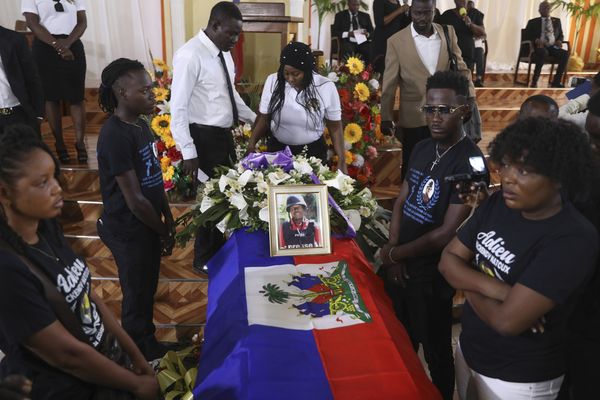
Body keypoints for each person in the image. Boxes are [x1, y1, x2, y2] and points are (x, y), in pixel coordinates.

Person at [439, 117, 598, 400]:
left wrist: (468, 278)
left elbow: (507, 322)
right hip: (470, 350)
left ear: (560, 176)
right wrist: (501, 290)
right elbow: (446, 259)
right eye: (507, 164)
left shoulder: (573, 239)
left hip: (519, 378)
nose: (508, 177)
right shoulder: (498, 203)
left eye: (524, 170)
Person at [0, 124, 159, 399]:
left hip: (105, 362)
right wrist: (134, 384)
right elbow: (67, 356)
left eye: (54, 177)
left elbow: (88, 296)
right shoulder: (7, 270)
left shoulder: (47, 229)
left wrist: (136, 357)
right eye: (42, 183)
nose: (57, 188)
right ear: (4, 193)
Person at [379, 71, 488, 400]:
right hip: (401, 260)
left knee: (436, 350)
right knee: (397, 340)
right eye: (430, 109)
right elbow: (402, 199)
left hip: (432, 274)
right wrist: (394, 247)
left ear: (464, 110)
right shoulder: (423, 146)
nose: (435, 117)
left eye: (445, 110)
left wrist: (399, 254)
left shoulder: (474, 165)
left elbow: (450, 232)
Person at [96, 58, 175, 361]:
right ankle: (136, 356)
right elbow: (135, 200)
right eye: (144, 90)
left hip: (147, 224)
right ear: (122, 92)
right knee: (136, 292)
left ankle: (148, 344)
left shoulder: (141, 125)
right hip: (128, 228)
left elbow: (154, 179)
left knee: (147, 286)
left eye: (151, 88)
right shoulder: (114, 135)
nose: (153, 94)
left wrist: (167, 216)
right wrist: (163, 230)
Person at [170, 1, 256, 273]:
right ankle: (203, 259)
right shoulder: (189, 55)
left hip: (222, 137)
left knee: (227, 198)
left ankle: (219, 254)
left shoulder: (223, 53)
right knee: (211, 200)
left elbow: (230, 97)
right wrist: (188, 152)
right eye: (231, 33)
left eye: (238, 35)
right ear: (215, 25)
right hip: (202, 138)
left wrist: (258, 120)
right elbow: (178, 108)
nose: (235, 40)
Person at [381, 0, 474, 180]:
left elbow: (462, 68)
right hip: (414, 118)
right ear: (410, 12)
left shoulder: (447, 33)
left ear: (434, 12)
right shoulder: (396, 41)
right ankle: (410, 205)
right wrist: (386, 116)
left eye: (427, 13)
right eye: (417, 13)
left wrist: (470, 97)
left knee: (444, 165)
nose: (422, 18)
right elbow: (389, 83)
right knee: (413, 168)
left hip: (446, 114)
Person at [247, 41, 347, 171]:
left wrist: (342, 159)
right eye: (286, 73)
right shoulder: (273, 81)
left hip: (313, 152)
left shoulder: (325, 87)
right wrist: (251, 145)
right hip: (278, 149)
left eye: (295, 74)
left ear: (308, 71)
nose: (290, 79)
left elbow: (335, 126)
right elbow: (263, 117)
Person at [22, 0, 88, 164]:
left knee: (77, 97)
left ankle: (80, 143)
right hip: (45, 49)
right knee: (51, 97)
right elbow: (32, 23)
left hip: (73, 45)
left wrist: (67, 44)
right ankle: (60, 143)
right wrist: (58, 46)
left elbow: (82, 22)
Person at [0, 25, 44, 136]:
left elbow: (32, 76)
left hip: (18, 113)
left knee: (28, 152)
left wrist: (38, 113)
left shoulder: (14, 39)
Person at [523, 1, 569, 88]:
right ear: (539, 10)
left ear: (550, 9)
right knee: (543, 52)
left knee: (565, 54)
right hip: (540, 47)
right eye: (544, 7)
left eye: (548, 7)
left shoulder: (557, 21)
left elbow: (561, 35)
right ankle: (534, 81)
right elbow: (527, 35)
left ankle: (556, 81)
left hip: (553, 46)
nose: (546, 9)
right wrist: (536, 40)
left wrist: (559, 40)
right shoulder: (533, 22)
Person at [439, 0, 486, 75]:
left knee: (466, 79)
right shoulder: (447, 15)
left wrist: (470, 24)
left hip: (468, 53)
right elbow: (439, 32)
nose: (462, 1)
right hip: (451, 55)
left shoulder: (474, 13)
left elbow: (482, 33)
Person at [371, 0, 411, 75]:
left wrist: (407, 13)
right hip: (382, 40)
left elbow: (399, 22)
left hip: (396, 39)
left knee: (393, 69)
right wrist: (399, 11)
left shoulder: (397, 1)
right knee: (382, 70)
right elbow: (380, 22)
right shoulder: (378, 1)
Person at [466, 1, 486, 86]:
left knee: (479, 52)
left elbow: (484, 35)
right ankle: (468, 78)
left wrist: (478, 37)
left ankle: (478, 79)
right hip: (464, 43)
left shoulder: (477, 18)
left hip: (476, 43)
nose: (472, 10)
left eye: (473, 8)